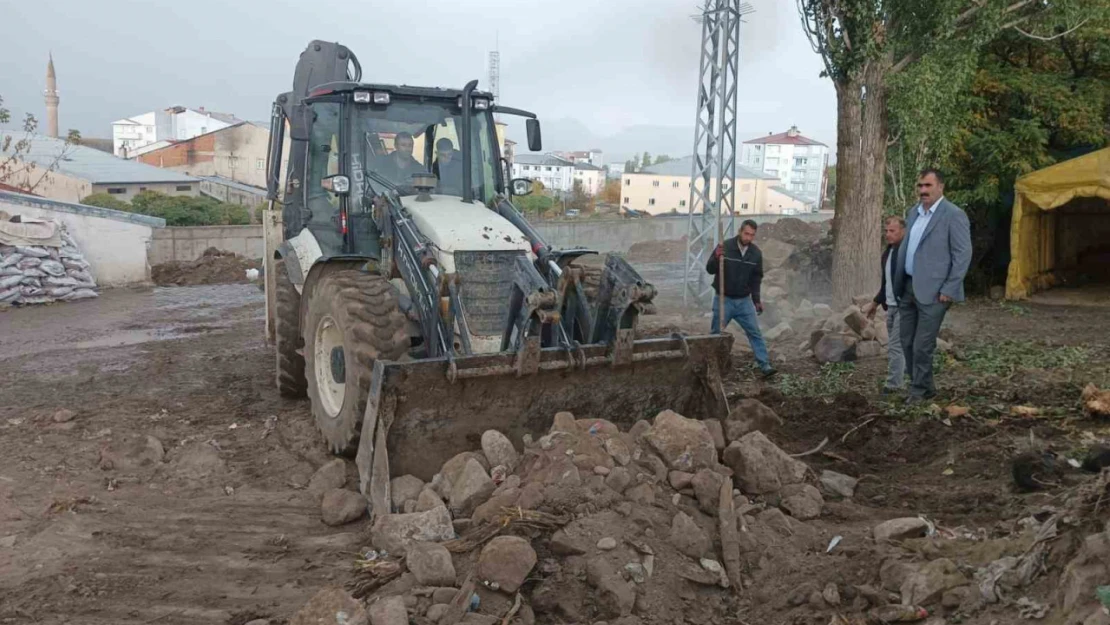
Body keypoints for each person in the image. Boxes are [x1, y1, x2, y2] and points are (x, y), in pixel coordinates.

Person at [892, 168, 972, 403]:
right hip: (907, 287)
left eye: (928, 186)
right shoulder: (913, 213)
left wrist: (950, 287)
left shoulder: (953, 215)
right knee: (906, 341)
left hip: (935, 293)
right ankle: (926, 387)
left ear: (940, 187)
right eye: (920, 186)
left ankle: (918, 392)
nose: (923, 190)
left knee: (922, 345)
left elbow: (962, 254)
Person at [706, 219, 776, 378]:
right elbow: (710, 269)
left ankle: (764, 364)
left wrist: (756, 300)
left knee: (755, 332)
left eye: (752, 235)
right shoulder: (725, 247)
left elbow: (756, 279)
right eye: (746, 234)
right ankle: (711, 366)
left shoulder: (756, 253)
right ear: (740, 231)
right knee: (716, 333)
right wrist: (716, 258)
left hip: (744, 301)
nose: (749, 238)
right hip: (724, 299)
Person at [862, 216, 907, 394]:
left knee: (895, 345)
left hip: (905, 305)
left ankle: (894, 384)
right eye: (886, 231)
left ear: (903, 231)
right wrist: (874, 303)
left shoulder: (906, 253)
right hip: (891, 305)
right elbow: (885, 284)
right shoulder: (887, 253)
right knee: (902, 344)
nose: (888, 234)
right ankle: (909, 374)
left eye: (892, 231)